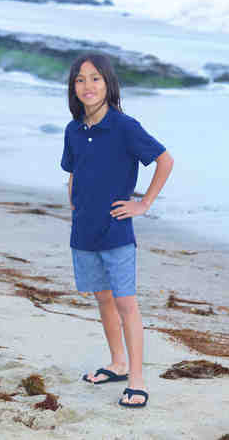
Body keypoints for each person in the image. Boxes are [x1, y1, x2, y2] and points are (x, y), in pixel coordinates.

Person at [60, 53, 174, 408]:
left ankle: (137, 380)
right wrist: (74, 201)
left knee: (125, 302)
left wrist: (143, 204)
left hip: (116, 230)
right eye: (80, 79)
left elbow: (164, 160)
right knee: (103, 298)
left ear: (108, 84)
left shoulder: (124, 126)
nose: (88, 86)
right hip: (84, 230)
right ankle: (117, 363)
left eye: (95, 78)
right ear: (73, 87)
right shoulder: (73, 130)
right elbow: (74, 171)